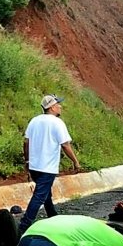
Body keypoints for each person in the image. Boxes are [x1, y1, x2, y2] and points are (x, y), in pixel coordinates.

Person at [18, 94, 80, 236]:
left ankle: (53, 217)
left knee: (46, 195)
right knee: (39, 196)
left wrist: (27, 161)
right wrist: (75, 162)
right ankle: (23, 226)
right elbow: (65, 145)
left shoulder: (34, 121)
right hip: (47, 168)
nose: (60, 106)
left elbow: (26, 142)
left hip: (34, 166)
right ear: (52, 107)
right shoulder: (57, 123)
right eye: (58, 104)